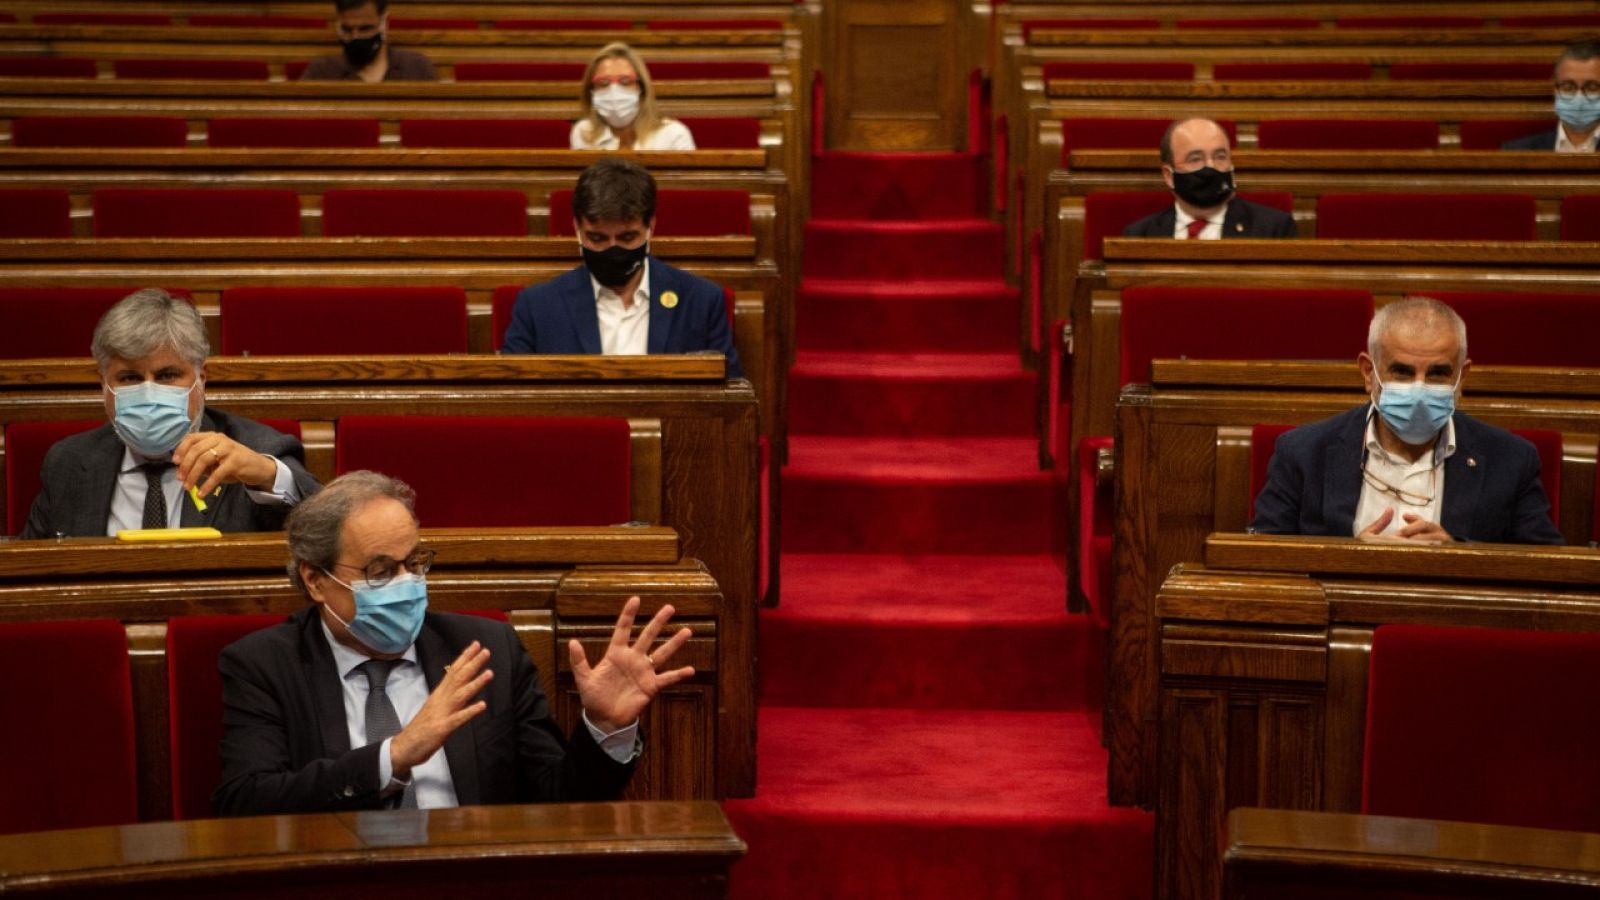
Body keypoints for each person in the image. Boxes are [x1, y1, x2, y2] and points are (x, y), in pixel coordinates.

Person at [212, 470, 694, 815]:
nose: (406, 584)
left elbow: (557, 802)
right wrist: (393, 756)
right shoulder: (265, 665)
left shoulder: (488, 650)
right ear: (315, 581)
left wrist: (604, 729)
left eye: (414, 563)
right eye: (381, 571)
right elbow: (247, 802)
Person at [1251, 297, 1562, 544]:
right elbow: (1262, 554)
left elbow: (1544, 567)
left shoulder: (1510, 459)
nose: (1419, 387)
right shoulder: (1303, 452)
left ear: (1461, 377)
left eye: (1438, 374)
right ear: (1369, 372)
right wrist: (1348, 559)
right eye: (1402, 372)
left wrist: (1457, 556)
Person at [22, 289, 320, 539]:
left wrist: (265, 475)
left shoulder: (254, 449)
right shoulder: (68, 464)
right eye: (129, 378)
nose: (148, 393)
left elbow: (325, 532)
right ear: (104, 384)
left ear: (201, 378)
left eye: (166, 375)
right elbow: (29, 575)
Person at [501, 158, 743, 378]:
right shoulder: (537, 306)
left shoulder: (700, 300)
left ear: (651, 228)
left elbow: (729, 397)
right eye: (597, 239)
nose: (612, 250)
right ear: (577, 229)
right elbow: (514, 400)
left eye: (627, 238)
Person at [1123, 117, 1297, 240]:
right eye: (1195, 159)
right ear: (1169, 175)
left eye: (1220, 156)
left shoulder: (1274, 230)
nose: (1210, 167)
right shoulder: (1140, 234)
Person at [569, 43, 696, 151]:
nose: (614, 90)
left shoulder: (674, 134)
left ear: (641, 88)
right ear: (591, 91)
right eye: (603, 83)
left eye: (625, 81)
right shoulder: (583, 132)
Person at [299, 0, 437, 83]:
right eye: (347, 29)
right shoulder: (321, 71)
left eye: (365, 28)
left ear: (384, 23)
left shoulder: (417, 68)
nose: (355, 36)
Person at [1502, 41, 1600, 151]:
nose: (1579, 97)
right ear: (1554, 89)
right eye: (1568, 87)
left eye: (1592, 87)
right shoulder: (1517, 151)